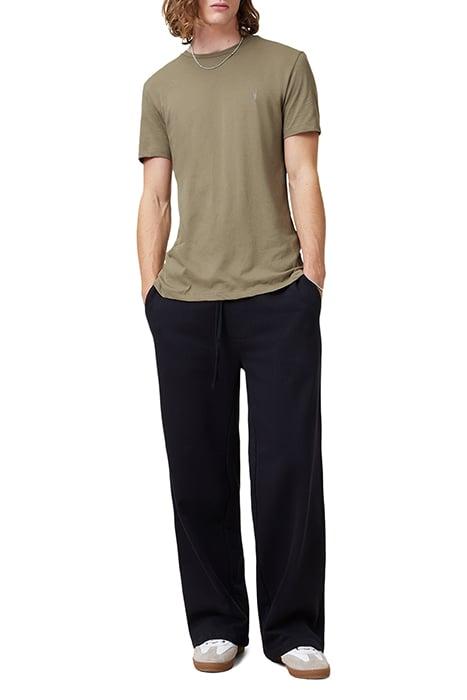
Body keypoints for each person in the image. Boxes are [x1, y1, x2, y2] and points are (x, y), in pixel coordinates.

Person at [136, 0, 329, 680]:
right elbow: (155, 196)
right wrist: (151, 292)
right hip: (186, 305)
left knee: (287, 467)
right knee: (198, 470)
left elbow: (303, 173)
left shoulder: (286, 66)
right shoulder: (160, 87)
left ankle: (294, 629)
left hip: (277, 296)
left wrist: (312, 280)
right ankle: (215, 622)